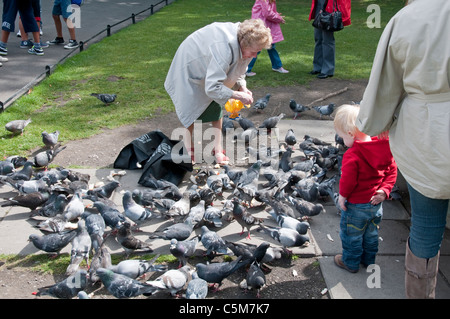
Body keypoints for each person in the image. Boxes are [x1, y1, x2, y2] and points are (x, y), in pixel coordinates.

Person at [356, 0, 450, 299]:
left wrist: (371, 123)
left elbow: (385, 84)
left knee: (426, 224)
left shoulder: (410, 16)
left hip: (429, 135)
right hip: (429, 129)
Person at [164, 19, 272, 165]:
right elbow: (213, 87)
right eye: (254, 52)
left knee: (216, 106)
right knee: (190, 109)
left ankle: (218, 148)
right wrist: (237, 95)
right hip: (190, 68)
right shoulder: (224, 49)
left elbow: (239, 68)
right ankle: (189, 148)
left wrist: (242, 86)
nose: (255, 56)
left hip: (211, 69)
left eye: (258, 52)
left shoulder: (247, 46)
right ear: (244, 44)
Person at [333, 104, 397, 273]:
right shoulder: (384, 148)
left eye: (341, 136)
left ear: (350, 134)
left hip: (356, 206)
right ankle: (369, 261)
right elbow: (392, 170)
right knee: (371, 235)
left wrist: (342, 196)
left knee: (351, 236)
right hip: (376, 205)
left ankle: (350, 263)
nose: (342, 141)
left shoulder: (352, 155)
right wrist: (385, 190)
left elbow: (348, 181)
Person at [308, 0, 351, 79]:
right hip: (319, 6)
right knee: (318, 38)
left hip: (330, 9)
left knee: (327, 40)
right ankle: (318, 67)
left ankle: (328, 70)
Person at [246, 0, 288, 76]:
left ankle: (277, 66)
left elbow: (268, 11)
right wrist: (279, 18)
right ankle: (246, 69)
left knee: (271, 46)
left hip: (266, 26)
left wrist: (277, 15)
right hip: (261, 26)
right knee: (257, 48)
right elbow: (267, 13)